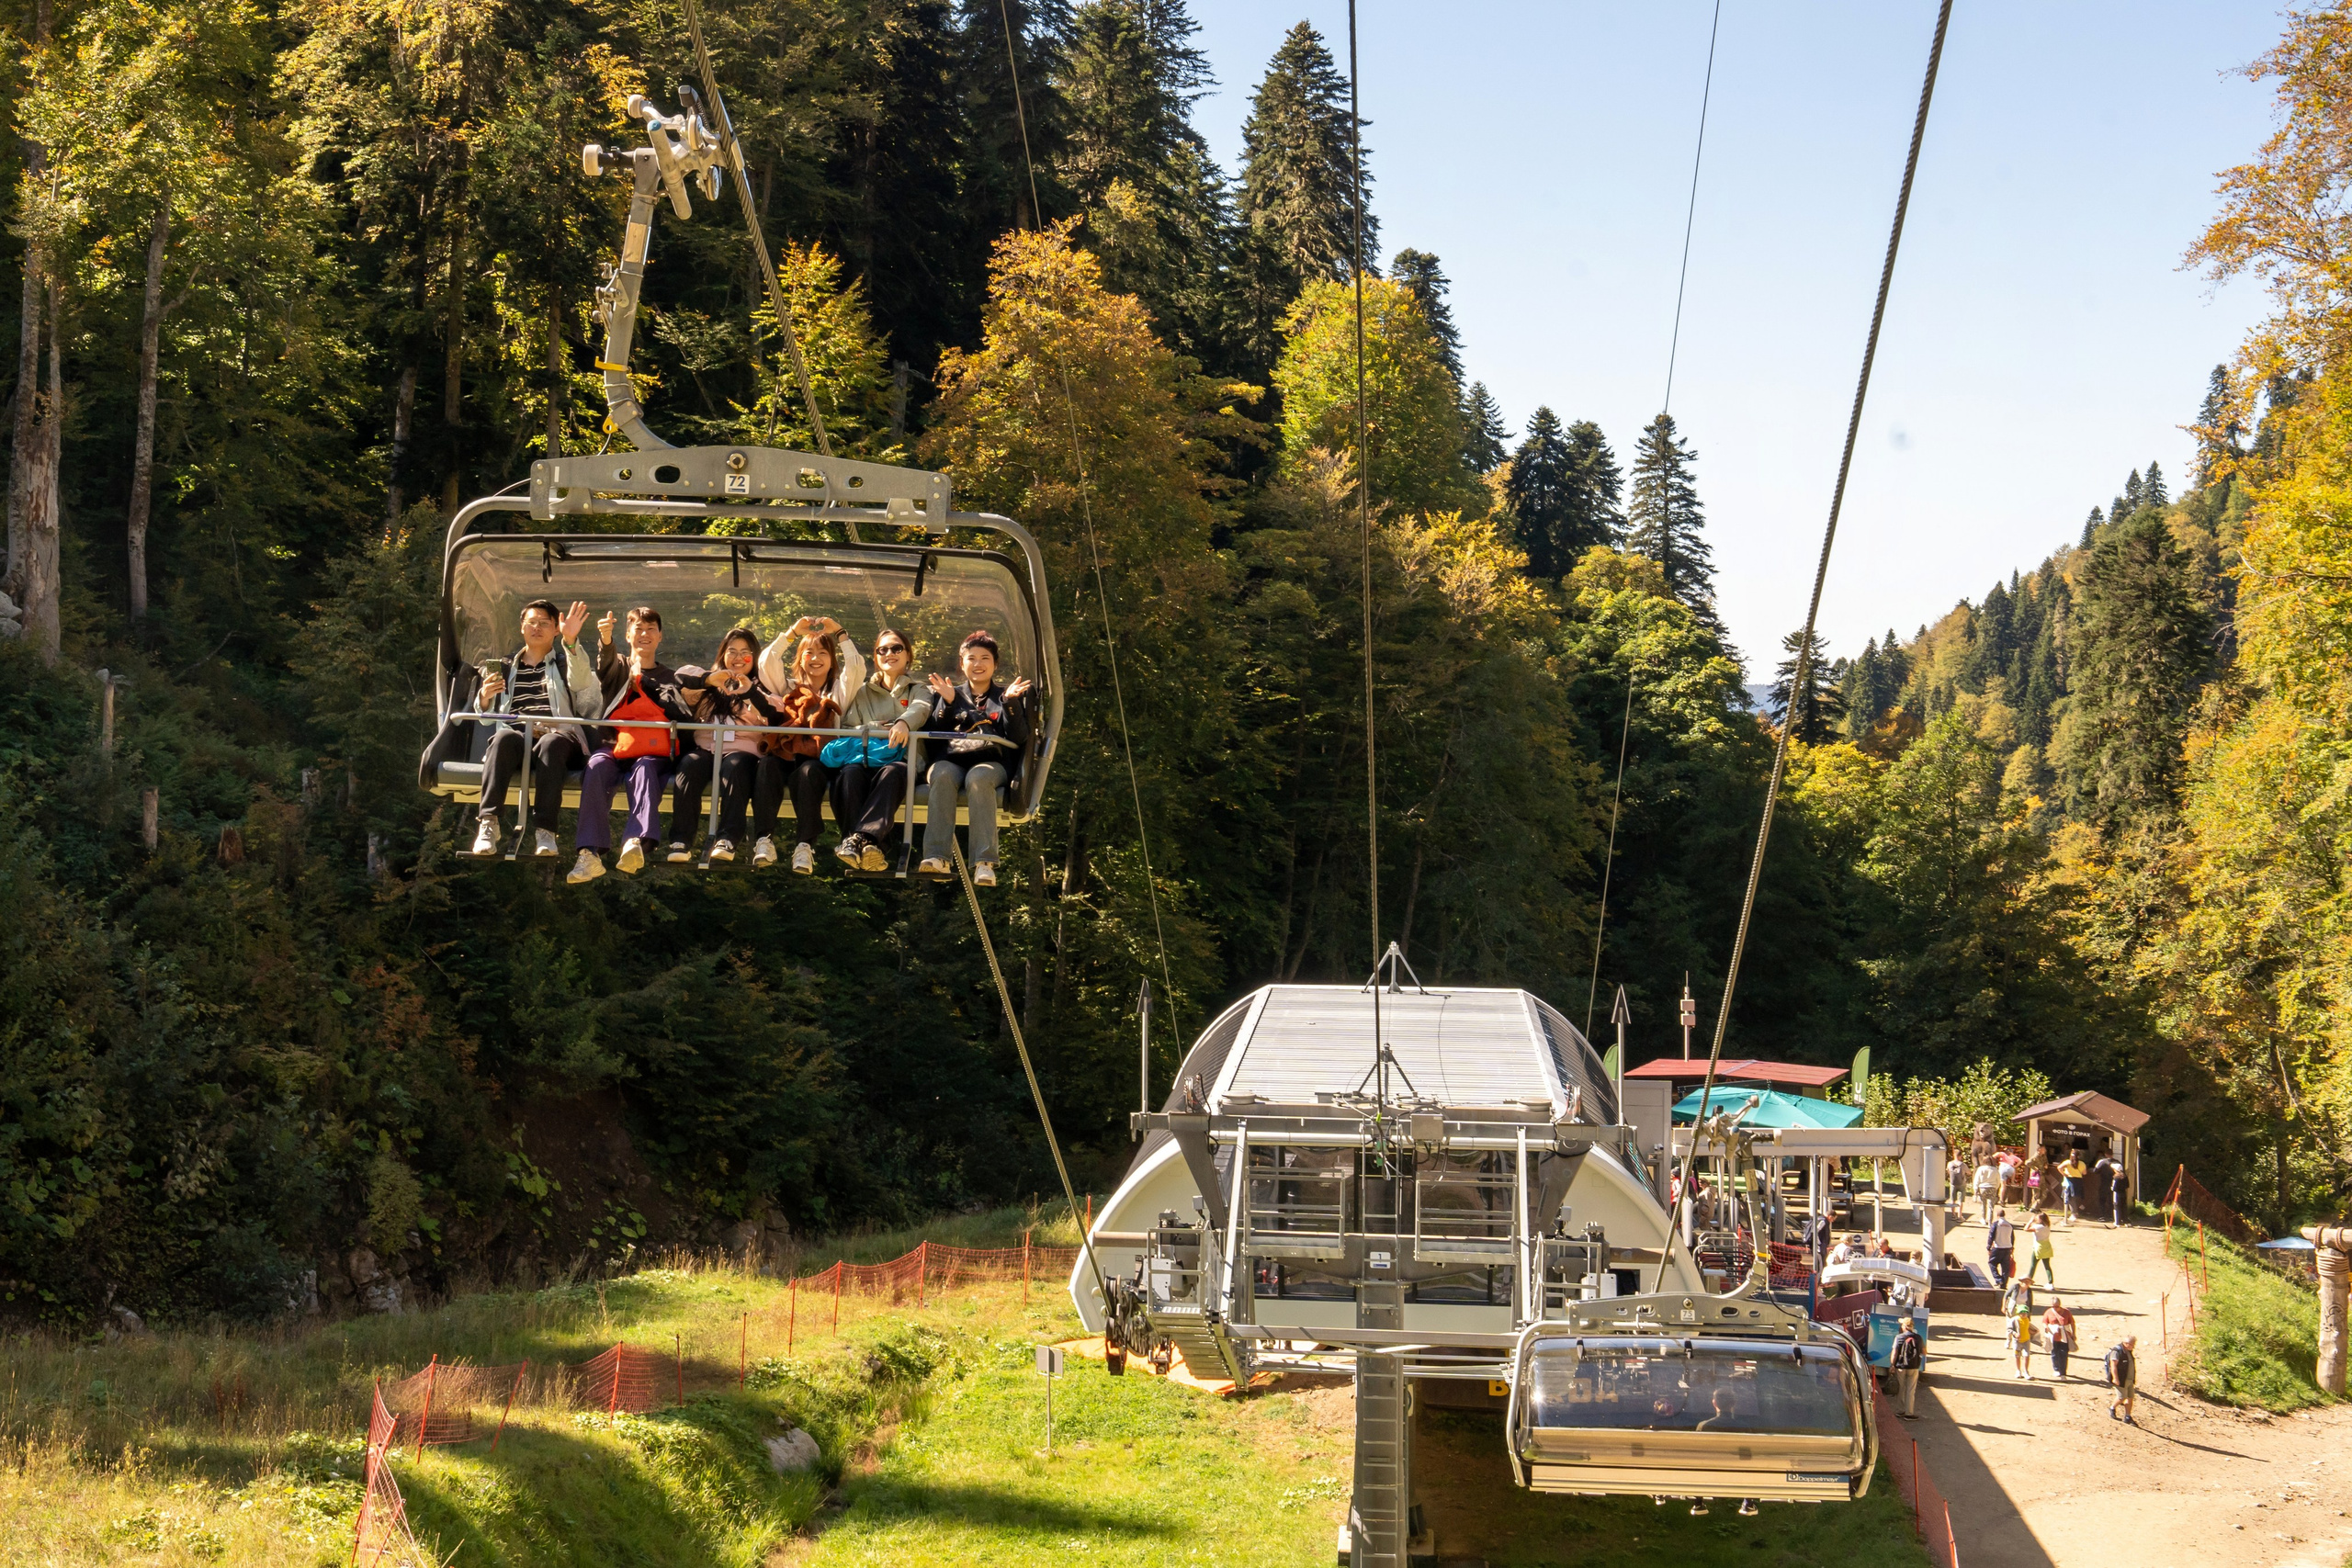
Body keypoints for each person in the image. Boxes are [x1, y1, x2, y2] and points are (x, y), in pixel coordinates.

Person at [571, 606, 699, 885]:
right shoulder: (619, 667)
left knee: (643, 769)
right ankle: (589, 853)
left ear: (660, 636)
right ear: (628, 635)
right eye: (638, 629)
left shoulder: (670, 677)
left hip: (653, 750)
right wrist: (605, 641)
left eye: (651, 629)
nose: (645, 634)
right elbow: (605, 663)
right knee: (595, 766)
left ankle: (636, 840)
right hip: (616, 745)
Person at [472, 598, 600, 859]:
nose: (536, 628)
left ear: (556, 629)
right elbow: (486, 718)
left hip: (558, 738)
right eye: (531, 622)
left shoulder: (564, 663)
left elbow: (583, 681)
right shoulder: (506, 666)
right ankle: (488, 824)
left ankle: (545, 830)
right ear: (522, 628)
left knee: (551, 743)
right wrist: (484, 697)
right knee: (503, 737)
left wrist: (572, 641)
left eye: (544, 623)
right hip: (519, 736)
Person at [918, 629, 1035, 886]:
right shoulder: (948, 693)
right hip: (952, 760)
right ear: (962, 664)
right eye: (972, 658)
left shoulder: (1005, 696)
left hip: (992, 763)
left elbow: (1019, 737)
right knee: (942, 774)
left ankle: (984, 862)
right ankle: (937, 856)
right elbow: (935, 733)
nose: (978, 664)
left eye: (985, 658)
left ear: (995, 664)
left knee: (978, 777)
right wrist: (948, 705)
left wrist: (1010, 703)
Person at [665, 626, 787, 866]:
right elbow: (679, 677)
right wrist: (710, 680)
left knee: (735, 767)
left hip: (741, 752)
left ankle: (727, 838)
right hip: (706, 749)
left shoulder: (760, 689)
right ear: (722, 654)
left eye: (746, 653)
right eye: (732, 652)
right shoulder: (707, 684)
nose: (738, 658)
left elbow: (775, 715)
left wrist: (749, 693)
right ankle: (681, 839)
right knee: (689, 765)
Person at [827, 626, 933, 870]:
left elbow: (921, 708)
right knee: (849, 775)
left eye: (896, 648)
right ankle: (869, 843)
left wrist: (903, 722)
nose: (889, 654)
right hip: (866, 760)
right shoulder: (864, 692)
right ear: (875, 657)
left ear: (908, 655)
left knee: (894, 772)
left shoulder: (918, 689)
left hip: (900, 760)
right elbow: (848, 727)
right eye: (882, 650)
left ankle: (856, 840)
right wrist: (876, 728)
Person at [755, 616, 855, 874]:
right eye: (808, 652)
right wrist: (791, 633)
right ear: (799, 659)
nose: (815, 658)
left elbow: (856, 669)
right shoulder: (789, 688)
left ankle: (804, 845)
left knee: (808, 773)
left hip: (820, 759)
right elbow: (766, 664)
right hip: (786, 753)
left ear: (832, 660)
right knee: (767, 766)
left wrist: (840, 633)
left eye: (823, 653)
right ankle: (763, 839)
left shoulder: (837, 693)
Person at [1888, 1317, 1924, 1418]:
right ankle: (1909, 1413)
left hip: (1901, 1366)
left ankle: (1900, 1411)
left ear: (1904, 1326)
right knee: (1910, 1390)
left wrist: (1892, 1365)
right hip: (1914, 1366)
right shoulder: (1918, 1337)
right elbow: (1924, 1351)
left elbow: (1894, 1352)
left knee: (1901, 1388)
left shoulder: (1899, 1337)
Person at [2105, 1335, 2138, 1424]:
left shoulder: (2128, 1350)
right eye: (2132, 1344)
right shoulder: (2117, 1351)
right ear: (2126, 1343)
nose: (2133, 1346)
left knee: (2130, 1397)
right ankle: (2112, 1408)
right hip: (2121, 1379)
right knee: (2122, 1397)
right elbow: (2113, 1365)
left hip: (2129, 1379)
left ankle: (2128, 1416)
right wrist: (2115, 1378)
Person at [2042, 1297, 2076, 1379]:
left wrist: (2074, 1334)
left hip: (2065, 1336)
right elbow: (2044, 1322)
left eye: (2057, 1306)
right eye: (2053, 1306)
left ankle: (2063, 1372)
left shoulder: (2066, 1312)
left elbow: (2072, 1323)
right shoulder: (2049, 1312)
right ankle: (2056, 1369)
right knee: (2054, 1353)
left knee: (2064, 1354)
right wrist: (2046, 1328)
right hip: (2053, 1336)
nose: (2055, 1308)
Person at [2007, 1293, 2036, 1380]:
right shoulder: (2015, 1320)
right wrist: (2015, 1334)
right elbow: (2009, 1329)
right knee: (2017, 1356)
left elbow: (2027, 1328)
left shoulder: (2027, 1320)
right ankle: (2018, 1370)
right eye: (2022, 1313)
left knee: (2027, 1356)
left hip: (2026, 1340)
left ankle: (2026, 1371)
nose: (2024, 1314)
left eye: (2025, 1313)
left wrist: (2032, 1332)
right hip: (2017, 1341)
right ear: (2018, 1313)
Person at [1986, 1206, 2016, 1283]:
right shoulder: (2009, 1225)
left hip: (1997, 1247)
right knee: (2005, 1267)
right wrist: (2012, 1247)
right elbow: (2012, 1237)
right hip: (2007, 1248)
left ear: (1997, 1215)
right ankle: (2004, 1284)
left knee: (1992, 1263)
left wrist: (1988, 1247)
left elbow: (1991, 1236)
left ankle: (1999, 1279)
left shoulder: (1996, 1224)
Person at [2026, 1209, 2055, 1285]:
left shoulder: (2037, 1227)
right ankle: (2050, 1281)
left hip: (2038, 1247)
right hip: (2047, 1247)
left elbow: (2026, 1229)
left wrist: (2030, 1221)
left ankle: (2029, 1279)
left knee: (2033, 1264)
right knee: (2047, 1266)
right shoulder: (2047, 1226)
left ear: (2041, 1220)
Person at [2061, 1152, 2088, 1223]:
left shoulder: (2067, 1162)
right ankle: (2076, 1212)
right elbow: (2084, 1173)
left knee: (2069, 1198)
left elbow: (2059, 1167)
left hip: (2069, 1180)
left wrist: (2064, 1174)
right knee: (2076, 1197)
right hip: (2078, 1181)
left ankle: (2074, 1213)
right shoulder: (2082, 1163)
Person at [1973, 1159, 1998, 1225]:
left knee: (1983, 1204)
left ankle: (1983, 1219)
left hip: (1982, 1187)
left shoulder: (1981, 1169)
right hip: (1992, 1187)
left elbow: (1977, 1179)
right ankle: (1990, 1221)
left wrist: (1975, 1190)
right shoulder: (1995, 1169)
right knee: (1991, 1205)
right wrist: (1996, 1187)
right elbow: (1998, 1179)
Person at [1945, 1155, 1967, 1224]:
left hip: (1953, 1183)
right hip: (1962, 1184)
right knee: (1960, 1200)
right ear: (1960, 1156)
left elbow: (1948, 1171)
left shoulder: (1950, 1164)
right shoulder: (1963, 1164)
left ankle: (1953, 1215)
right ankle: (1960, 1216)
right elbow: (1969, 1172)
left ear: (1954, 1155)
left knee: (1953, 1199)